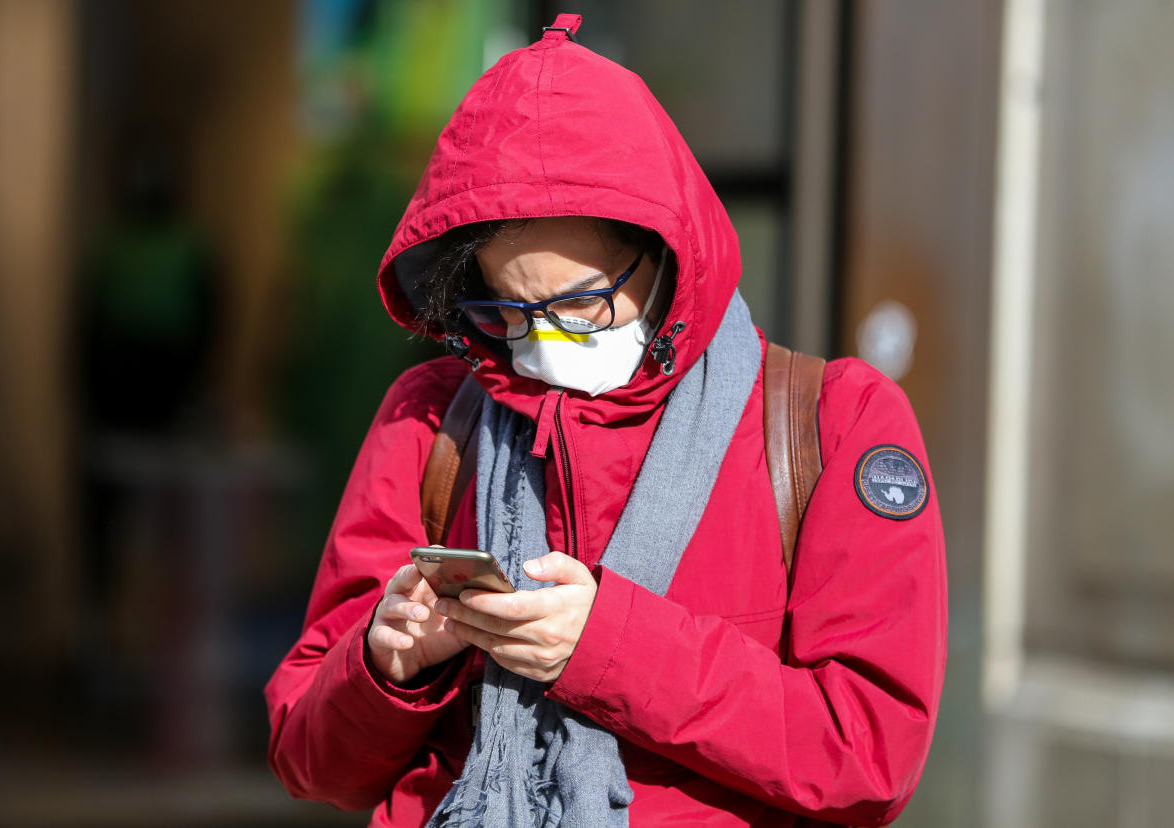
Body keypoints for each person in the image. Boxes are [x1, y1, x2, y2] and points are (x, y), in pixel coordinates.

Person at [266, 16, 946, 828]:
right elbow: (309, 756)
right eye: (508, 311)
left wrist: (608, 648)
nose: (544, 341)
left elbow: (870, 754)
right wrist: (386, 664)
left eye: (580, 305)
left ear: (665, 256)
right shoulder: (431, 420)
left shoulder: (835, 423)